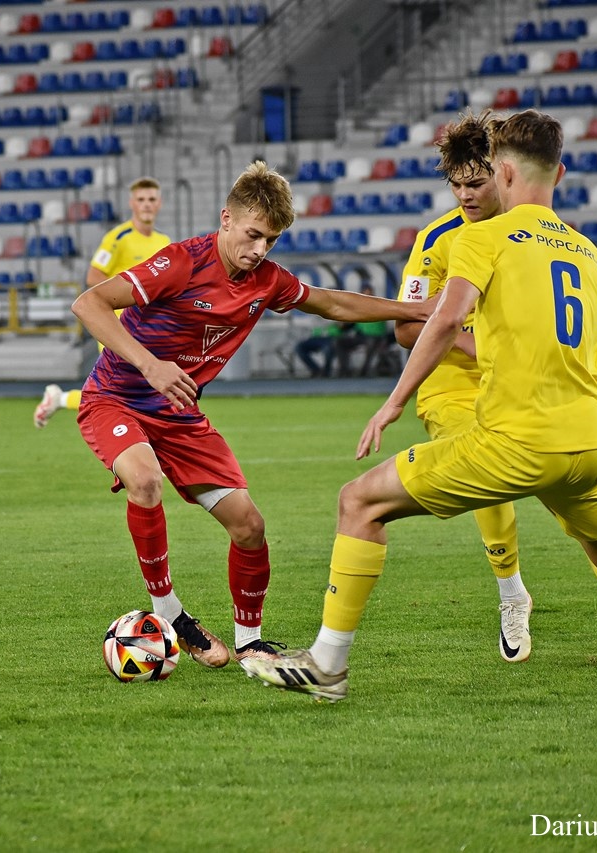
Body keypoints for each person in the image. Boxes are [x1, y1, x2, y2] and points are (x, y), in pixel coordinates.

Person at [243, 110, 597, 705]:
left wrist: (392, 404)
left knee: (359, 501)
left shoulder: (482, 238)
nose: (467, 193)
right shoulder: (586, 251)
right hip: (589, 444)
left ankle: (327, 666)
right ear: (559, 173)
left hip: (516, 439)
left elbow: (442, 320)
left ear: (503, 173)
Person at [69, 161, 432, 668]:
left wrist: (414, 310)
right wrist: (151, 365)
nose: (261, 249)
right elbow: (89, 303)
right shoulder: (180, 263)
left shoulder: (267, 280)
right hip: (117, 398)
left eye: (272, 240)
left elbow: (331, 304)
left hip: (179, 414)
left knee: (249, 526)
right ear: (226, 219)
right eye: (254, 234)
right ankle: (169, 612)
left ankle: (250, 642)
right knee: (144, 480)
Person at [394, 112, 597, 665]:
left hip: (531, 392)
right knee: (490, 486)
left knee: (579, 511)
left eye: (477, 182)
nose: (466, 195)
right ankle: (511, 593)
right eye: (457, 185)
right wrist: (483, 348)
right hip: (453, 388)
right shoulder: (438, 239)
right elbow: (406, 326)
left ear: (504, 174)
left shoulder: (542, 237)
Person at [35, 177, 170, 428]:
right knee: (131, 389)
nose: (147, 205)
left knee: (132, 390)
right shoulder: (118, 237)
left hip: (149, 325)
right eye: (141, 199)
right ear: (132, 203)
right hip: (116, 324)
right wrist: (122, 302)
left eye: (152, 199)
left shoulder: (164, 242)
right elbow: (94, 276)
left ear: (159, 203)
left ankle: (60, 399)